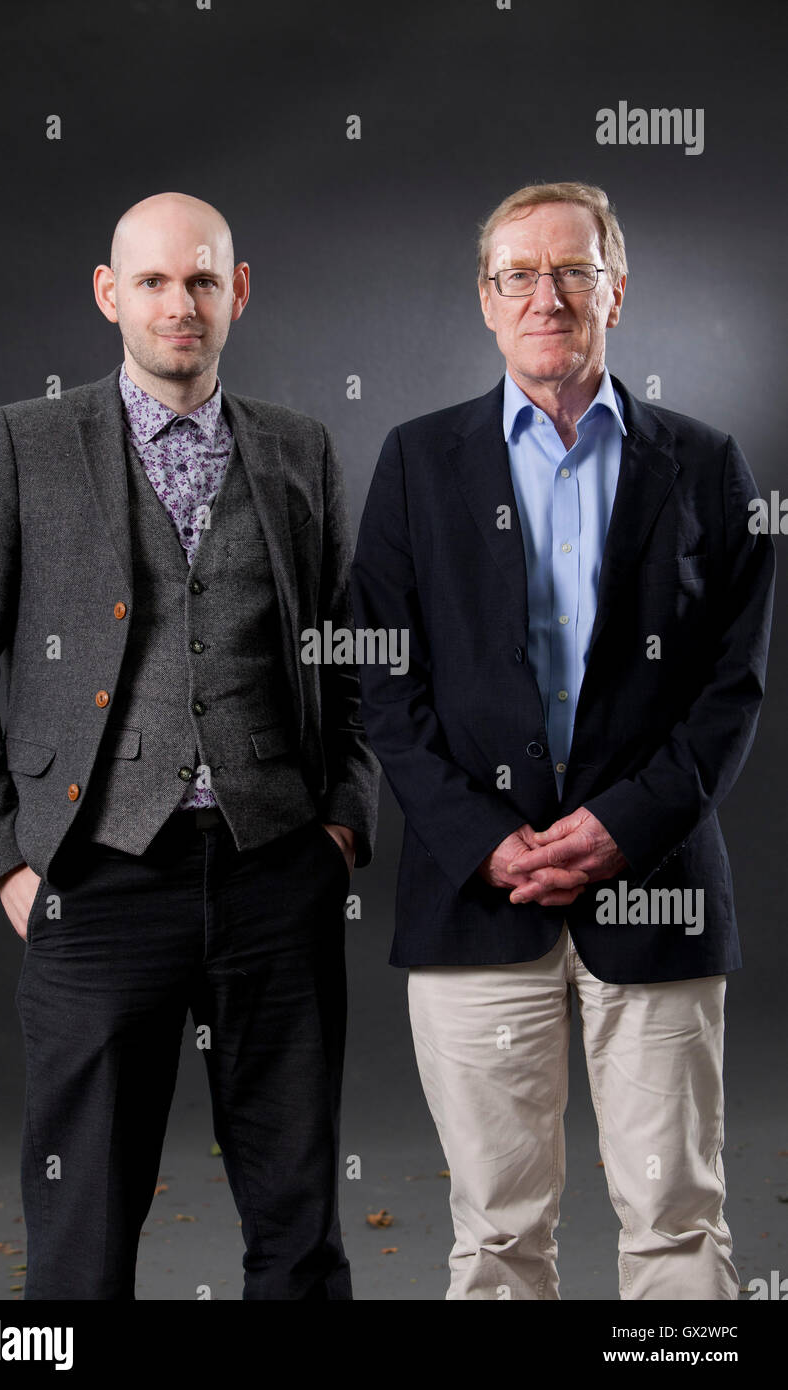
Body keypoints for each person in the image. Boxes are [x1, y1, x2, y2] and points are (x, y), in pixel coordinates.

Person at [0, 191, 379, 1300]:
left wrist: (341, 828)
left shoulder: (298, 449)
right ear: (108, 294)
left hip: (275, 871)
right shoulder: (20, 443)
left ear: (240, 292)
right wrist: (11, 866)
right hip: (96, 876)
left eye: (204, 280)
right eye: (156, 281)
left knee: (297, 1218)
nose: (182, 303)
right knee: (79, 1232)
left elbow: (352, 656)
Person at [351, 180, 775, 1300]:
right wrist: (481, 839)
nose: (547, 295)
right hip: (470, 898)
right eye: (517, 275)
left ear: (615, 292)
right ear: (485, 303)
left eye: (572, 271)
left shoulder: (705, 465)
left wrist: (623, 825)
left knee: (677, 1223)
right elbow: (382, 688)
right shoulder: (414, 464)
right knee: (495, 1236)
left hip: (657, 890)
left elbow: (729, 690)